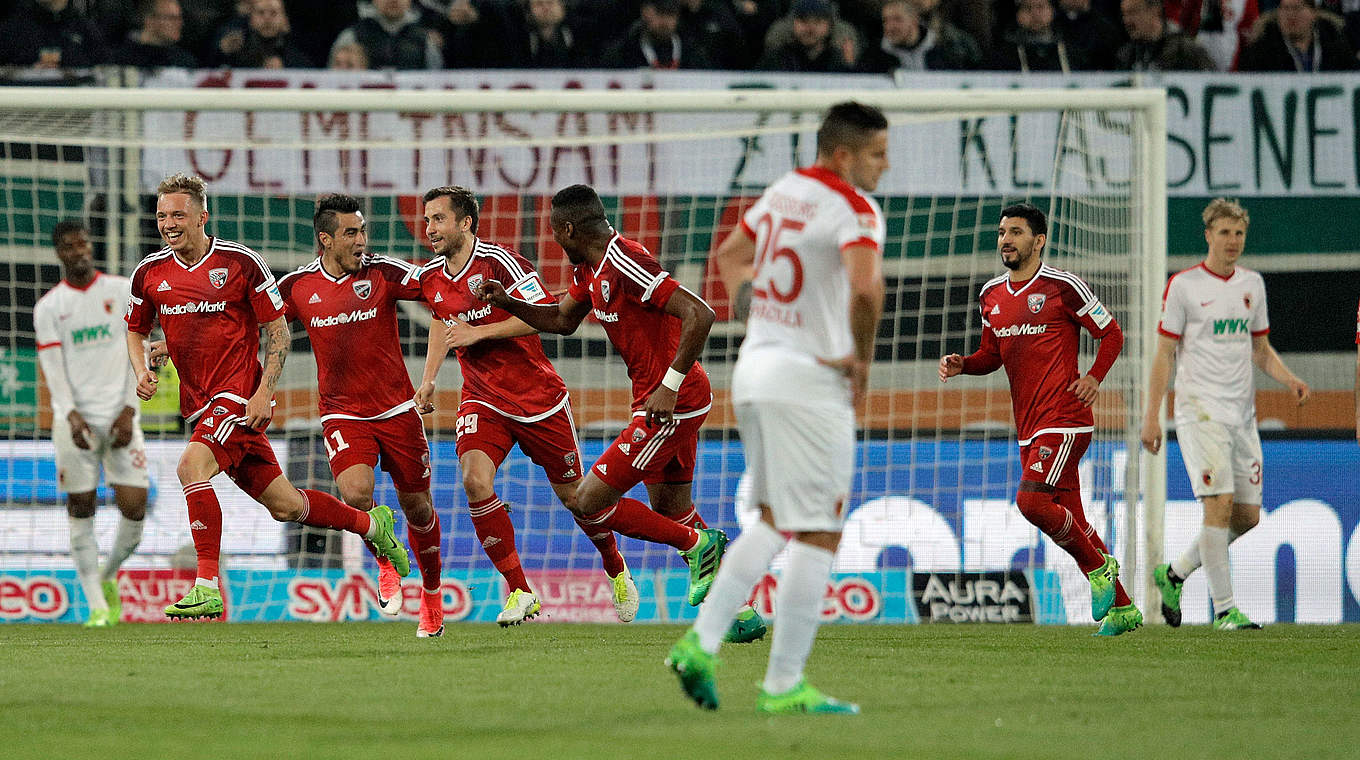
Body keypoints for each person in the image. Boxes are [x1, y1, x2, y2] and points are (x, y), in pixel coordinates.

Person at [666, 101, 889, 715]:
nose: (885, 166)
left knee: (772, 519)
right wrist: (860, 358)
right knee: (819, 527)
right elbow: (867, 287)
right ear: (843, 155)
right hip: (811, 380)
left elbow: (731, 256)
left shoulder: (785, 190)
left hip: (757, 370)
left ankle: (703, 644)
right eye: (877, 153)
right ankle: (782, 681)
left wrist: (749, 307)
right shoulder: (853, 208)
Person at [124, 173, 410, 621]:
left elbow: (276, 330)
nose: (168, 223)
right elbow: (136, 328)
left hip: (236, 398)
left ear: (202, 216)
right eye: (161, 215)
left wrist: (262, 394)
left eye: (178, 214)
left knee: (190, 467)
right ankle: (373, 525)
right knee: (286, 505)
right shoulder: (150, 273)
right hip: (198, 404)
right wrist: (144, 368)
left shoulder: (241, 263)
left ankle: (205, 584)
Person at [474, 184, 735, 622]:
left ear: (571, 229)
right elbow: (561, 319)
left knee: (588, 500)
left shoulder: (623, 259)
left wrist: (669, 384)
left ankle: (698, 546)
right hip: (660, 400)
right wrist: (506, 301)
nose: (554, 240)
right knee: (673, 510)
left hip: (674, 400)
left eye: (556, 231)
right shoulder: (589, 271)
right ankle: (737, 609)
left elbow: (700, 314)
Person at [412, 186, 637, 627]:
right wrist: (429, 379)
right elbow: (442, 320)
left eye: (438, 219)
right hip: (482, 397)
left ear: (465, 223)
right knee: (475, 481)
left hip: (538, 400)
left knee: (578, 500)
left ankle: (615, 567)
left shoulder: (500, 262)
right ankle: (519, 589)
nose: (430, 229)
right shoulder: (432, 276)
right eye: (426, 220)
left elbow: (545, 312)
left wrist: (482, 333)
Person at [940, 202, 1142, 637]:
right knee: (1071, 518)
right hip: (1029, 425)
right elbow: (992, 355)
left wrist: (1093, 377)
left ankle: (1098, 570)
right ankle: (1123, 608)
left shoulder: (1063, 286)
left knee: (1031, 503)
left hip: (1066, 417)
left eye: (1015, 232)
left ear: (1039, 240)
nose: (1006, 240)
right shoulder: (990, 295)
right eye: (1001, 232)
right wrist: (965, 365)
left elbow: (1112, 333)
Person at [276, 194, 444, 637]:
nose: (361, 240)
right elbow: (249, 319)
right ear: (325, 239)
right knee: (356, 494)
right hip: (342, 413)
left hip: (397, 410)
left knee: (419, 509)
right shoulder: (296, 287)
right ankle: (388, 562)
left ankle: (430, 594)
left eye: (363, 231)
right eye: (351, 233)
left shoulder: (384, 272)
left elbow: (438, 287)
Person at [1141, 198, 1309, 631]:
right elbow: (1163, 355)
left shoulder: (1251, 284)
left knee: (1247, 517)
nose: (1232, 241)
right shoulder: (1183, 286)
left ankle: (1174, 572)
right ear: (1208, 235)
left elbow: (1260, 349)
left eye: (1239, 234)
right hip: (1200, 413)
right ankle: (1224, 609)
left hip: (1242, 415)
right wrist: (1151, 415)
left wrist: (1289, 379)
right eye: (1224, 232)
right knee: (1217, 506)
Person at [35, 220, 148, 629]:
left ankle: (107, 575)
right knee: (80, 506)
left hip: (120, 413)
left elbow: (138, 348)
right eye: (70, 246)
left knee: (134, 507)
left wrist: (130, 407)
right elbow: (53, 368)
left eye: (83, 243)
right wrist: (69, 414)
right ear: (60, 253)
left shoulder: (120, 292)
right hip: (74, 420)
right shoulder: (49, 308)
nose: (79, 251)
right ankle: (97, 606)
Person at [1237, 0, 1358, 71]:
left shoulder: (1336, 47)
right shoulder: (1259, 53)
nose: (1290, 15)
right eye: (1285, 8)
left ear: (1313, 13)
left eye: (1297, 8)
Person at [110, 0, 199, 68]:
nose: (180, 23)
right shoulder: (118, 60)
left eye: (180, 18)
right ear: (149, 20)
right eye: (172, 18)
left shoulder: (184, 62)